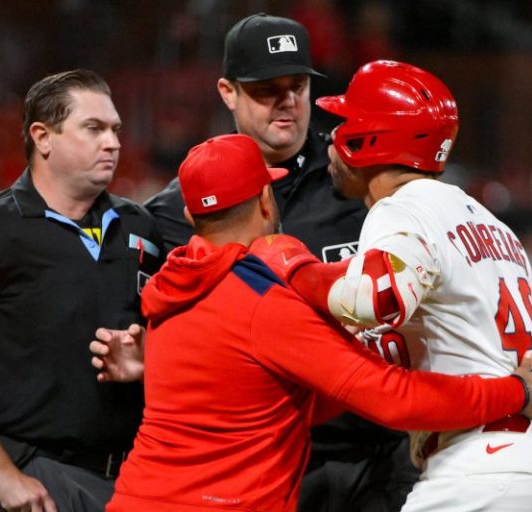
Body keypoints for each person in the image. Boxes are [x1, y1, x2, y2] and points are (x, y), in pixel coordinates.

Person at [99, 133, 532, 511]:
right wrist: (516, 393)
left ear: (189, 215)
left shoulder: (173, 286)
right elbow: (393, 399)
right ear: (267, 199)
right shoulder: (260, 302)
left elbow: (278, 403)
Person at [259, 60, 532, 510]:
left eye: (346, 123)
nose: (332, 137)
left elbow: (375, 297)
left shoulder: (401, 209)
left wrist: (294, 268)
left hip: (485, 466)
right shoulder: (494, 224)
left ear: (372, 140)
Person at [143, 13, 419, 512]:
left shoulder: (361, 183)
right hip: (264, 463)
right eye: (267, 89)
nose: (288, 101)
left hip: (382, 451)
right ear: (227, 92)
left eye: (297, 85)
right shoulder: (175, 213)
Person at [0, 69, 164, 512]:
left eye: (116, 129)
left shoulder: (141, 227)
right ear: (43, 137)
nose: (114, 142)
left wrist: (151, 358)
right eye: (94, 128)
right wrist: (4, 474)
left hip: (128, 480)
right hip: (31, 479)